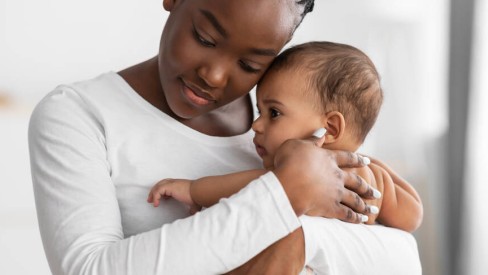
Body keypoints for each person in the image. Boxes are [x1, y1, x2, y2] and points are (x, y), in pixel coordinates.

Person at [28, 0, 421, 274]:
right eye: (204, 37)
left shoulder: (293, 124)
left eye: (251, 64)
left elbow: (404, 259)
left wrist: (301, 239)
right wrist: (283, 196)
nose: (214, 76)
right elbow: (89, 270)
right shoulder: (78, 114)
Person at [148, 41, 423, 237]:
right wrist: (382, 177)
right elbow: (411, 216)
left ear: (329, 129)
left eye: (274, 113)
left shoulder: (313, 169)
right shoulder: (370, 175)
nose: (257, 125)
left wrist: (194, 190)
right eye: (259, 111)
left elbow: (257, 187)